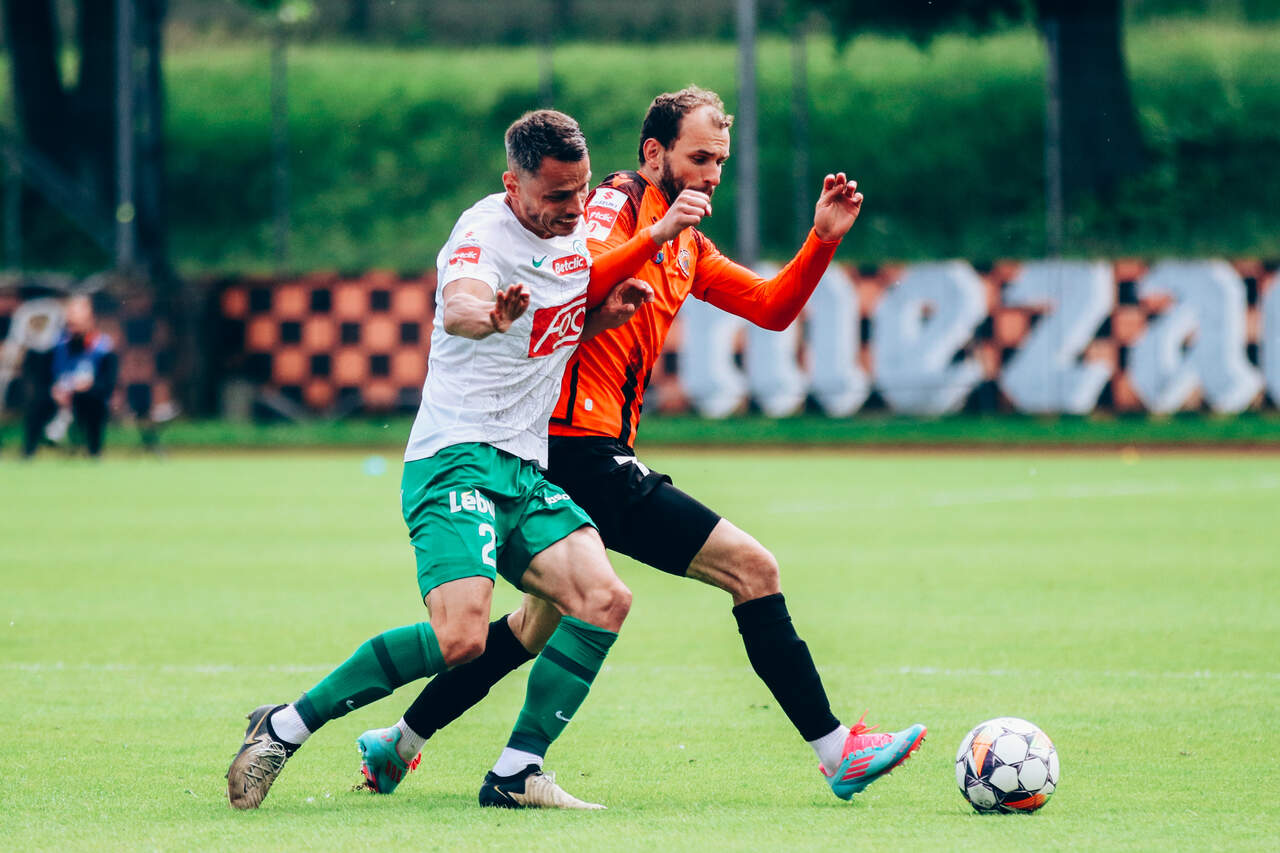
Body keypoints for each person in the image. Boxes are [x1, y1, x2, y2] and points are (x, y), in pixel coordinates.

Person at [356, 87, 926, 803]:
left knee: (534, 625)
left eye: (720, 160)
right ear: (655, 153)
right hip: (575, 447)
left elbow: (771, 308)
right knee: (752, 568)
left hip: (577, 451)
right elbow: (576, 285)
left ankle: (399, 744)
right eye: (700, 157)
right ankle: (836, 749)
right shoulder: (613, 205)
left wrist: (823, 239)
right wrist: (654, 235)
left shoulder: (685, 240)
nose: (713, 173)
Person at [225, 109, 707, 811]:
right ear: (513, 185)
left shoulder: (572, 232)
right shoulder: (482, 233)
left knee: (604, 599)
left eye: (580, 190)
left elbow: (553, 323)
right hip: (455, 459)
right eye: (556, 196)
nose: (575, 208)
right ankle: (285, 725)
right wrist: (491, 317)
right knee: (462, 640)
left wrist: (599, 317)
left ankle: (516, 771)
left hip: (523, 468)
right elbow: (460, 308)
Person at [22, 294, 117, 458]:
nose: (73, 328)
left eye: (77, 322)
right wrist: (54, 391)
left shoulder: (103, 348)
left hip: (86, 399)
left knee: (95, 404)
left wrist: (86, 387)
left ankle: (94, 452)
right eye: (70, 323)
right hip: (58, 398)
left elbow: (107, 384)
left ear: (90, 320)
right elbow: (43, 379)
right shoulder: (56, 346)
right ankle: (28, 453)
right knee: (37, 402)